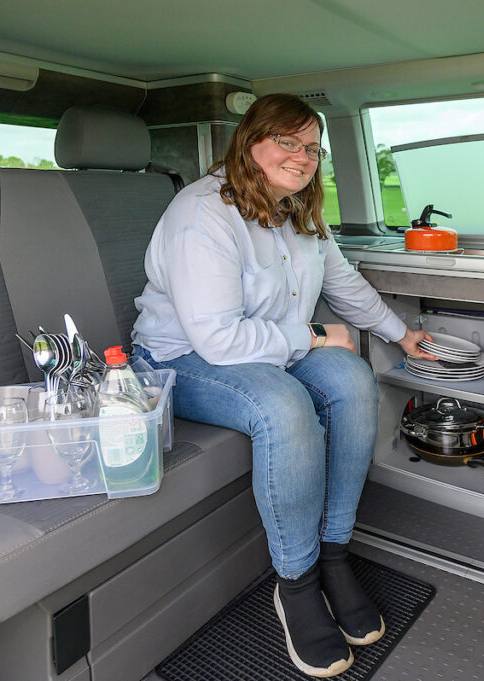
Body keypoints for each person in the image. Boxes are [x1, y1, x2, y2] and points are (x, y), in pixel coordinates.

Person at [132, 93, 435, 678]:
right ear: (251, 142)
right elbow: (219, 341)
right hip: (181, 358)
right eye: (287, 142)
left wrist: (401, 336)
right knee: (284, 405)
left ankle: (335, 555)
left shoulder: (297, 209)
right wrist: (317, 334)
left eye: (312, 149)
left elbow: (343, 282)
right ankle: (295, 584)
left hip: (269, 346)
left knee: (352, 379)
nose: (302, 157)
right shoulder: (202, 214)